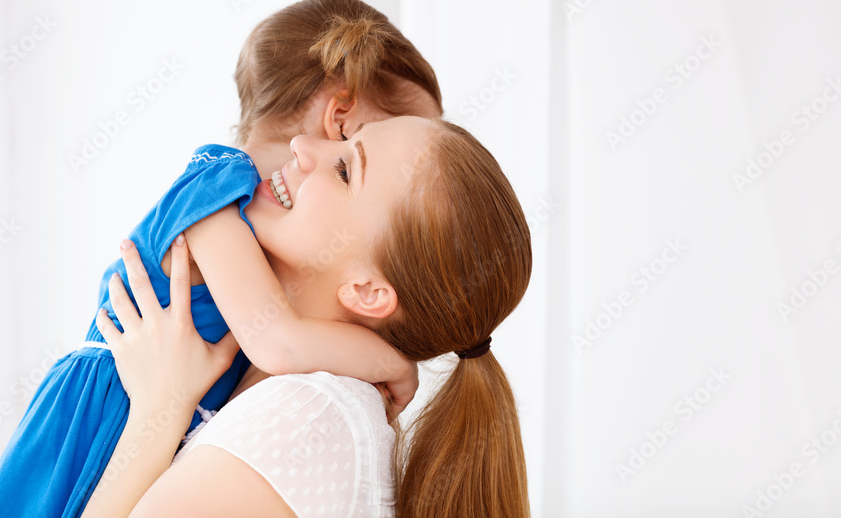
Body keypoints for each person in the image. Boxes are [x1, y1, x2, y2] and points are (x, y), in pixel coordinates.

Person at [0, 0, 443, 518]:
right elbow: (277, 342)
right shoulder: (215, 188)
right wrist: (393, 364)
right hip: (100, 413)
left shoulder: (264, 240)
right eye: (380, 138)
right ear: (341, 119)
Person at [83, 116, 532, 518]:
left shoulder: (303, 419)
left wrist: (161, 406)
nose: (301, 143)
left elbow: (280, 341)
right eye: (343, 136)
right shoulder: (302, 397)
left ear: (368, 292)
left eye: (344, 171)